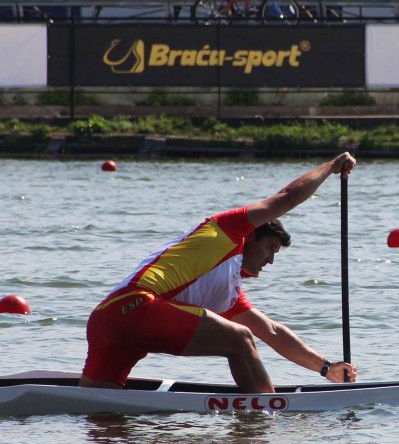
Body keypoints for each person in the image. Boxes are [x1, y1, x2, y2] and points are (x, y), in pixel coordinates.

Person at [78, 153, 359, 393]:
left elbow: (273, 332)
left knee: (99, 412)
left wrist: (326, 368)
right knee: (240, 338)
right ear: (250, 237)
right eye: (270, 248)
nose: (270, 260)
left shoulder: (226, 292)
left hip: (106, 319)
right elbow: (286, 198)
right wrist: (330, 167)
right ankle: (265, 416)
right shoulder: (228, 230)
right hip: (136, 305)